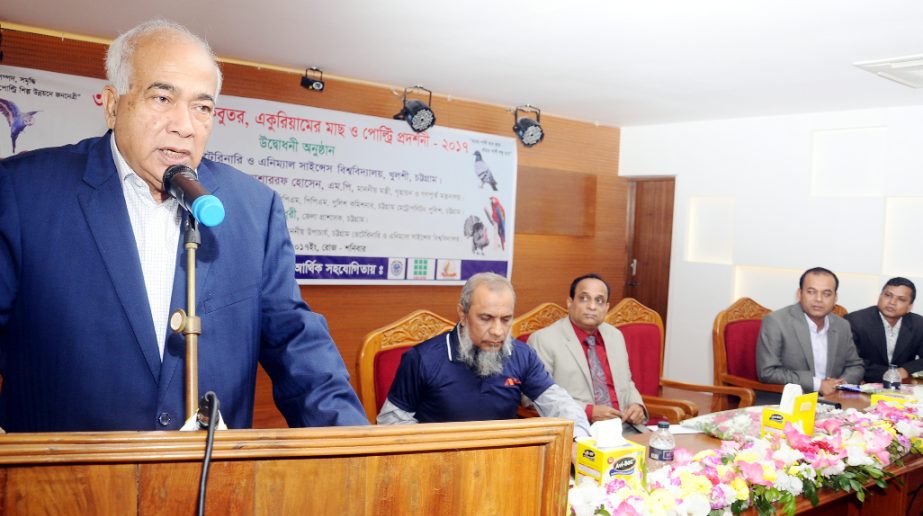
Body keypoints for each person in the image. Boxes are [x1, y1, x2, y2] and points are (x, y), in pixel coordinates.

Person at [0, 20, 368, 432]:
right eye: (161, 97)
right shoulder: (20, 192)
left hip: (210, 485)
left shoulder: (254, 208)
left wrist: (360, 454)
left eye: (202, 107)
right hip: (64, 489)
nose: (185, 125)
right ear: (112, 104)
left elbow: (296, 344)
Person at [377, 272, 590, 438]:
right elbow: (391, 422)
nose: (498, 331)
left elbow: (559, 404)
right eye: (486, 318)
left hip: (500, 463)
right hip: (439, 467)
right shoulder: (423, 359)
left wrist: (578, 441)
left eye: (506, 319)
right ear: (463, 314)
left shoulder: (521, 355)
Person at [527, 274, 647, 429]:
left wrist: (637, 405)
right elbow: (532, 397)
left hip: (626, 428)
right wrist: (587, 411)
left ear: (606, 308)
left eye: (599, 301)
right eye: (584, 298)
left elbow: (627, 382)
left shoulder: (615, 336)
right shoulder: (543, 340)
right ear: (570, 302)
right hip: (580, 430)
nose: (592, 306)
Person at [756, 267, 865, 397]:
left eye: (826, 294)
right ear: (799, 294)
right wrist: (818, 384)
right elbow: (767, 372)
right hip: (787, 402)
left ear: (835, 298)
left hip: (833, 401)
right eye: (811, 292)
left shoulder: (842, 325)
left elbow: (856, 365)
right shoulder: (776, 322)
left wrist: (841, 383)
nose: (818, 299)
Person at [845, 277, 923, 384]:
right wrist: (891, 374)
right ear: (880, 296)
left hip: (902, 387)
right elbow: (851, 361)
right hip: (865, 384)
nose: (892, 302)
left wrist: (905, 370)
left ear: (909, 306)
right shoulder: (854, 321)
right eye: (888, 295)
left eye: (901, 299)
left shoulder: (918, 323)